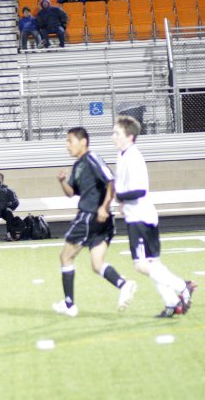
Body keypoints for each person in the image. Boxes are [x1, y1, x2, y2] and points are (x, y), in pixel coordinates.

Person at [112, 116, 196, 317]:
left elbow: (140, 190)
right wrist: (122, 204)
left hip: (140, 218)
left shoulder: (132, 157)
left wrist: (119, 197)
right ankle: (172, 303)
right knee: (153, 264)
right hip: (143, 215)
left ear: (130, 137)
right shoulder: (123, 155)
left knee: (141, 265)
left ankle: (182, 286)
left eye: (117, 133)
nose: (112, 137)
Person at [53, 127, 138, 317]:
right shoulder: (78, 166)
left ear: (82, 142)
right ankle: (124, 285)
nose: (67, 146)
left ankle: (69, 305)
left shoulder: (92, 159)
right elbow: (70, 193)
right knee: (97, 264)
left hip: (90, 216)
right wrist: (62, 181)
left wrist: (104, 207)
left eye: (70, 141)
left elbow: (111, 181)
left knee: (65, 257)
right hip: (100, 221)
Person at [0, 173, 22, 240]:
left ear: (2, 179)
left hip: (4, 211)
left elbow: (16, 201)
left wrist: (10, 207)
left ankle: (9, 234)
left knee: (9, 213)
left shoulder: (8, 190)